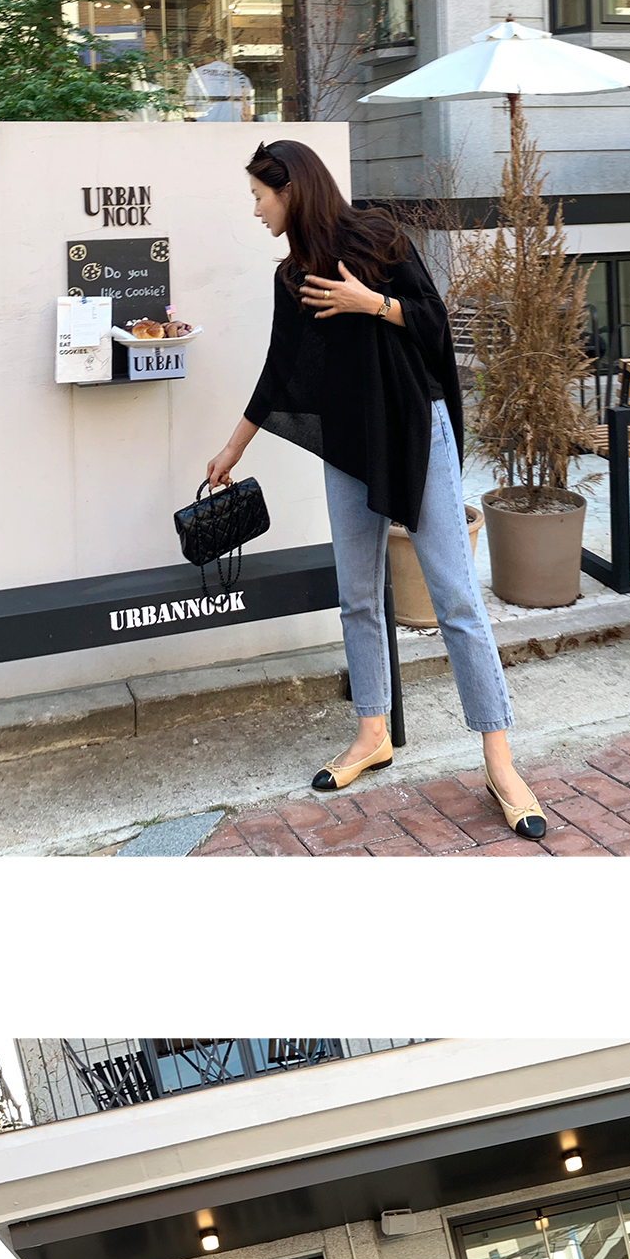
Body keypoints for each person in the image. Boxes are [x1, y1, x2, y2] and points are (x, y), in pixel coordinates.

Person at [205, 135, 547, 831]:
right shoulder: (291, 277)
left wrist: (372, 303)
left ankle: (500, 759)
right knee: (357, 595)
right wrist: (232, 448)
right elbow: (279, 370)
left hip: (416, 431)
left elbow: (435, 322)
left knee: (455, 598)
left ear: (291, 190)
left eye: (260, 197)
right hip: (349, 445)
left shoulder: (378, 237)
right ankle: (372, 732)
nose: (256, 210)